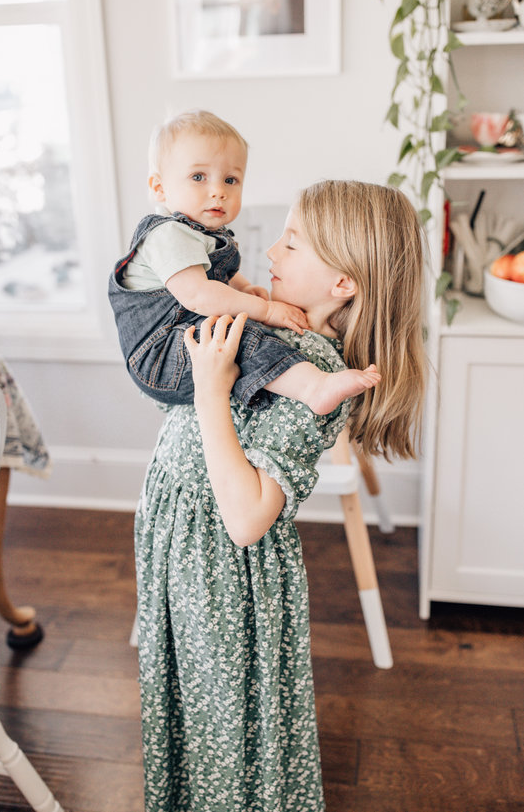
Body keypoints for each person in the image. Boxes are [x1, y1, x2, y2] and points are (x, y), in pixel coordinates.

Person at [134, 180, 426, 811]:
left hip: (220, 575)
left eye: (292, 242)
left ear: (342, 283)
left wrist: (212, 390)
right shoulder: (278, 335)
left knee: (222, 735)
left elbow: (245, 519)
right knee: (189, 712)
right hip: (183, 548)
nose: (271, 252)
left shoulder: (312, 372)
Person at [108, 110, 380, 415]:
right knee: (240, 335)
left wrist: (245, 287)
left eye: (230, 179)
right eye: (198, 177)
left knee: (240, 330)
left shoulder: (205, 234)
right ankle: (312, 388)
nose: (218, 191)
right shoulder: (166, 235)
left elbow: (217, 277)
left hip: (185, 340)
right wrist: (266, 309)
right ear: (159, 187)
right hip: (160, 356)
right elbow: (199, 295)